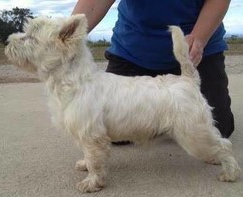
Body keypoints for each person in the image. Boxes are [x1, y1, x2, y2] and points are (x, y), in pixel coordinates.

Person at [72, 0, 234, 142]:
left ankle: (167, 121)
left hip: (196, 49)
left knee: (217, 129)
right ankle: (162, 121)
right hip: (133, 52)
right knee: (111, 130)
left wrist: (199, 38)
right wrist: (67, 33)